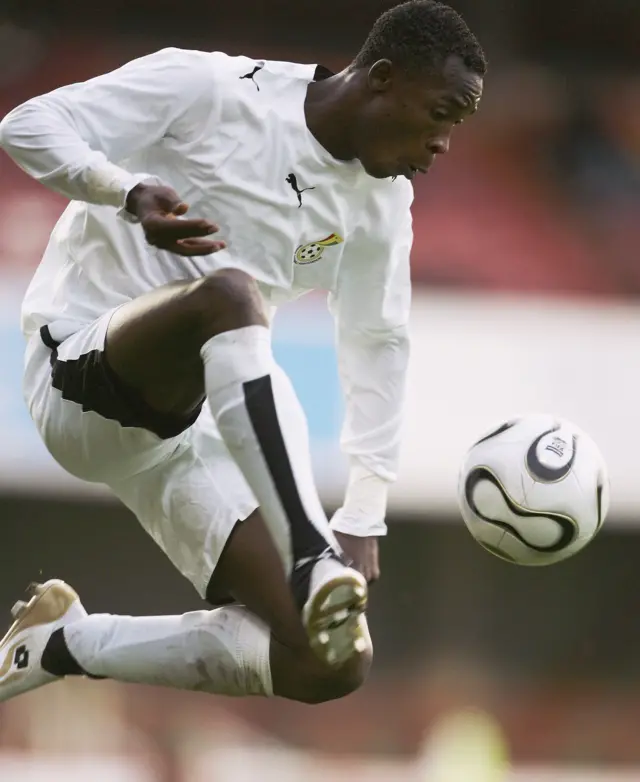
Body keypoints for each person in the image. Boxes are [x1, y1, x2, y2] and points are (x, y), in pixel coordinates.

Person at [0, 0, 485, 705]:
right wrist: (127, 192)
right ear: (382, 78)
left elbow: (378, 342)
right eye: (441, 113)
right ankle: (311, 561)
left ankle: (61, 644)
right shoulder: (212, 91)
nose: (444, 144)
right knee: (229, 296)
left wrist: (363, 514)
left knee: (329, 661)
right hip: (81, 375)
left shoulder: (381, 205)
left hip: (192, 434)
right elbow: (26, 125)